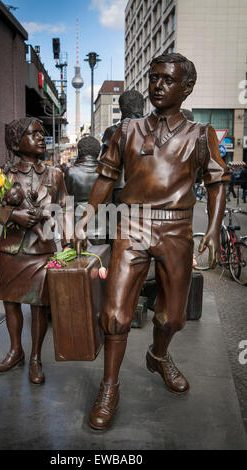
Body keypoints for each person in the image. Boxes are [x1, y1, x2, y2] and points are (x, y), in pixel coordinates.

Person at [75, 52, 229, 430]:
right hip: (133, 225)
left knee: (173, 317)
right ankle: (109, 386)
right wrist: (86, 216)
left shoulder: (200, 134)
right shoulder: (128, 130)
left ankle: (158, 356)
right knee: (114, 313)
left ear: (187, 88)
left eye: (167, 80)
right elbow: (107, 176)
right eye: (153, 77)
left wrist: (212, 226)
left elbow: (217, 182)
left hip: (176, 230)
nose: (157, 86)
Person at [0, 117, 68, 385]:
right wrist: (13, 214)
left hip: (42, 250)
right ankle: (16, 350)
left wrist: (72, 242)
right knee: (10, 302)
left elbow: (66, 209)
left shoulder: (55, 174)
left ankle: (36, 357)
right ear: (17, 143)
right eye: (34, 133)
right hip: (11, 249)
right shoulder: (4, 174)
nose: (41, 138)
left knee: (39, 305)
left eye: (43, 133)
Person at [101, 90, 144, 205]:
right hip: (146, 186)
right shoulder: (152, 129)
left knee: (118, 222)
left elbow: (104, 165)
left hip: (119, 187)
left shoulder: (112, 131)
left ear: (121, 108)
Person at [65, 136, 108, 244]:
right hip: (102, 227)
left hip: (78, 226)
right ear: (98, 152)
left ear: (79, 151)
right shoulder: (105, 172)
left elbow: (67, 205)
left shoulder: (71, 172)